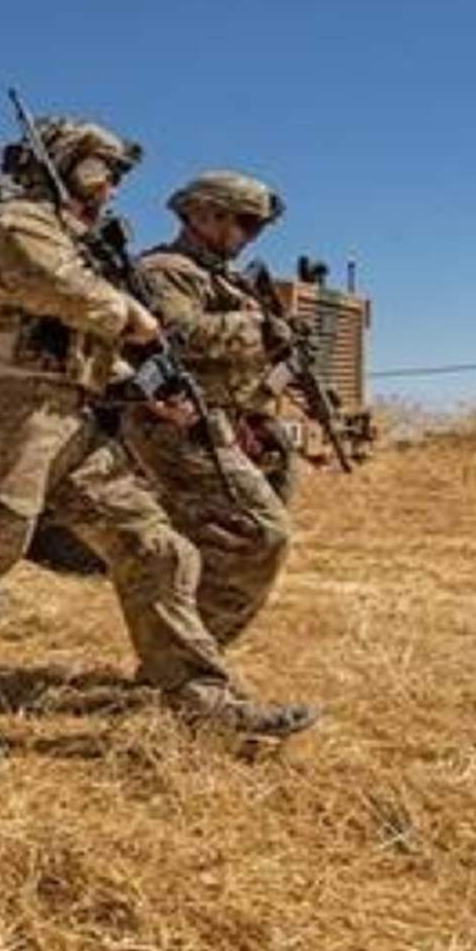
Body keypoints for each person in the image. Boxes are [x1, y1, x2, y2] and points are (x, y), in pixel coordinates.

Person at [0, 119, 317, 757]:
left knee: (156, 548)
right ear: (67, 164)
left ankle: (202, 699)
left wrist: (145, 390)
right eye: (104, 170)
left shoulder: (73, 239)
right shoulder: (18, 224)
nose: (112, 186)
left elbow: (84, 348)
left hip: (73, 417)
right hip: (10, 413)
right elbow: (68, 293)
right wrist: (132, 315)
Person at [119, 172, 296, 655]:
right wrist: (258, 329)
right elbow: (175, 334)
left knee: (220, 544)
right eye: (246, 223)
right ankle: (189, 659)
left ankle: (188, 659)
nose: (252, 235)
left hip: (225, 422)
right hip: (177, 423)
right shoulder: (164, 269)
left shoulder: (226, 279)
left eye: (258, 227)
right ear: (204, 215)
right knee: (262, 534)